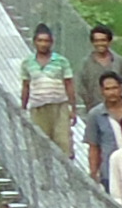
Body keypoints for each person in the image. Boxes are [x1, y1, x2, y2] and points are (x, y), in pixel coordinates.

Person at [17, 22, 78, 161]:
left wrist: (72, 108)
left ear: (51, 42)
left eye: (46, 41)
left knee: (63, 141)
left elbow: (69, 84)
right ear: (34, 42)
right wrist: (23, 107)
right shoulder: (28, 62)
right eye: (40, 41)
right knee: (40, 143)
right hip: (38, 107)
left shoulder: (61, 61)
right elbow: (26, 85)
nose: (43, 44)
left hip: (59, 106)